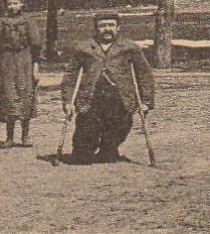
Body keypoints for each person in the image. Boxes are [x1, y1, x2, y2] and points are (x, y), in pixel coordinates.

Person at [61, 12, 154, 164]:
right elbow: (70, 75)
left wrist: (146, 101)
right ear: (96, 28)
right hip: (91, 95)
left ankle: (109, 148)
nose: (107, 29)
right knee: (86, 129)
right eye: (102, 26)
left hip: (120, 96)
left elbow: (144, 74)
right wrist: (67, 101)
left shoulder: (130, 48)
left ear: (118, 27)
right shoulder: (84, 48)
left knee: (119, 126)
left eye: (111, 25)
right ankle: (84, 151)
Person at [0, 0, 40, 148]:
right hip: (6, 62)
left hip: (25, 60)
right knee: (9, 96)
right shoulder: (0, 23)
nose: (12, 7)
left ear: (22, 4)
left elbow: (36, 47)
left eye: (15, 3)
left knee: (25, 95)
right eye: (9, 3)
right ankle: (9, 137)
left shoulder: (29, 22)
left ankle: (25, 137)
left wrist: (36, 67)